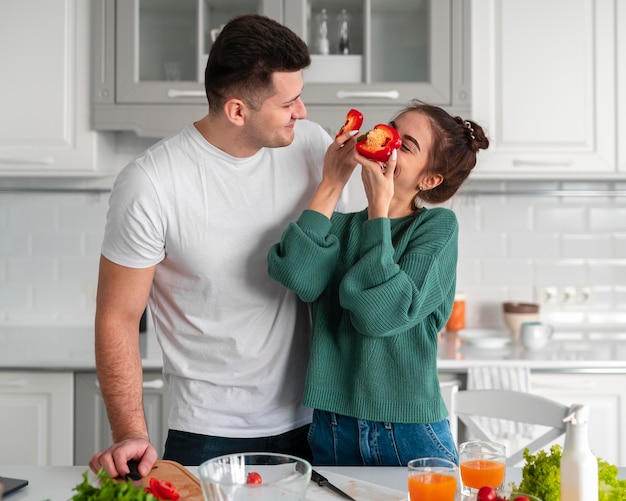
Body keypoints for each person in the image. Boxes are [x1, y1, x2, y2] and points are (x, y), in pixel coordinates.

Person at [89, 14, 351, 479]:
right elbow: (117, 316)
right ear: (237, 111)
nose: (303, 112)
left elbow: (338, 268)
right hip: (207, 429)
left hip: (314, 418)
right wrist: (130, 431)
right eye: (288, 102)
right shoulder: (152, 181)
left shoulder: (313, 147)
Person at [267, 100, 490, 466]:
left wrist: (378, 212)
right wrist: (331, 182)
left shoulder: (436, 229)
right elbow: (296, 276)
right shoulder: (341, 226)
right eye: (390, 129)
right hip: (332, 424)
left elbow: (382, 317)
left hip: (409, 429)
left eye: (406, 145)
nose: (387, 141)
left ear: (429, 180)